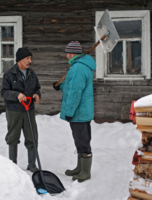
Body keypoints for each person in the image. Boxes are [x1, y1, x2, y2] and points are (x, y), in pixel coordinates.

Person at [53, 41, 96, 182]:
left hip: (79, 113)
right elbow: (72, 86)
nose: (66, 56)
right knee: (80, 141)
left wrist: (69, 112)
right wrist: (61, 86)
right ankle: (80, 168)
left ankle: (85, 172)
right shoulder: (79, 66)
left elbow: (75, 92)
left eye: (67, 53)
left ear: (72, 53)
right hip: (81, 112)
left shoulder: (78, 68)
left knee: (83, 142)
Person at [1, 47, 41, 172]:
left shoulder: (32, 73)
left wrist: (37, 94)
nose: (30, 61)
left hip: (29, 109)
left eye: (30, 58)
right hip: (14, 110)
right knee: (13, 137)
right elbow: (4, 92)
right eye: (27, 58)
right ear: (19, 60)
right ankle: (13, 165)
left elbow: (37, 88)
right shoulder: (9, 74)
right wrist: (16, 95)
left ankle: (32, 165)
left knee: (32, 136)